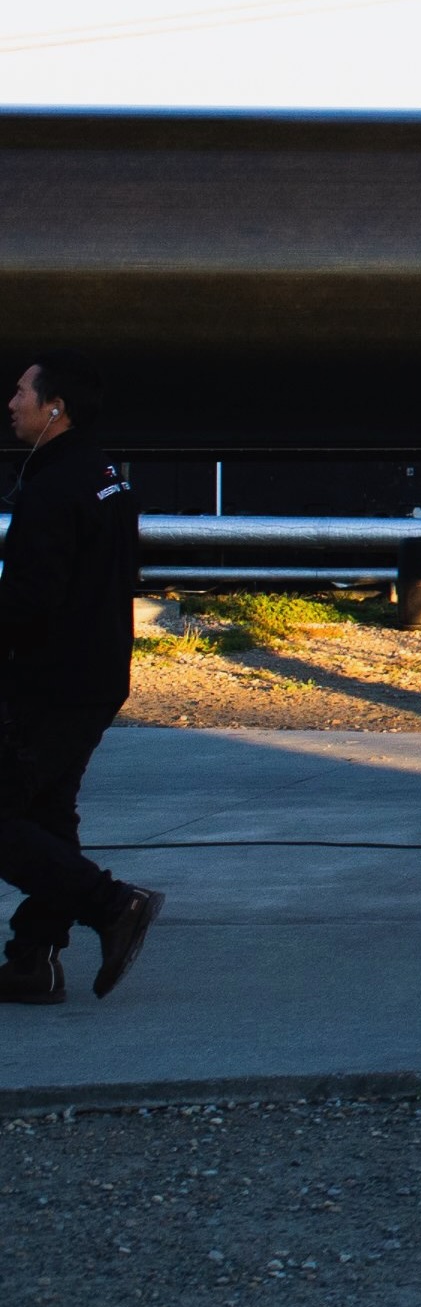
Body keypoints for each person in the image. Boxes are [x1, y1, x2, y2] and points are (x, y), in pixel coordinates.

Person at [0, 358, 164, 1006]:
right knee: (46, 813)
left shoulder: (51, 490)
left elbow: (27, 603)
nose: (11, 401)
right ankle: (32, 961)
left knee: (7, 815)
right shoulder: (106, 478)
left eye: (20, 391)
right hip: (97, 676)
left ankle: (113, 905)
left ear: (54, 407)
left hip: (51, 684)